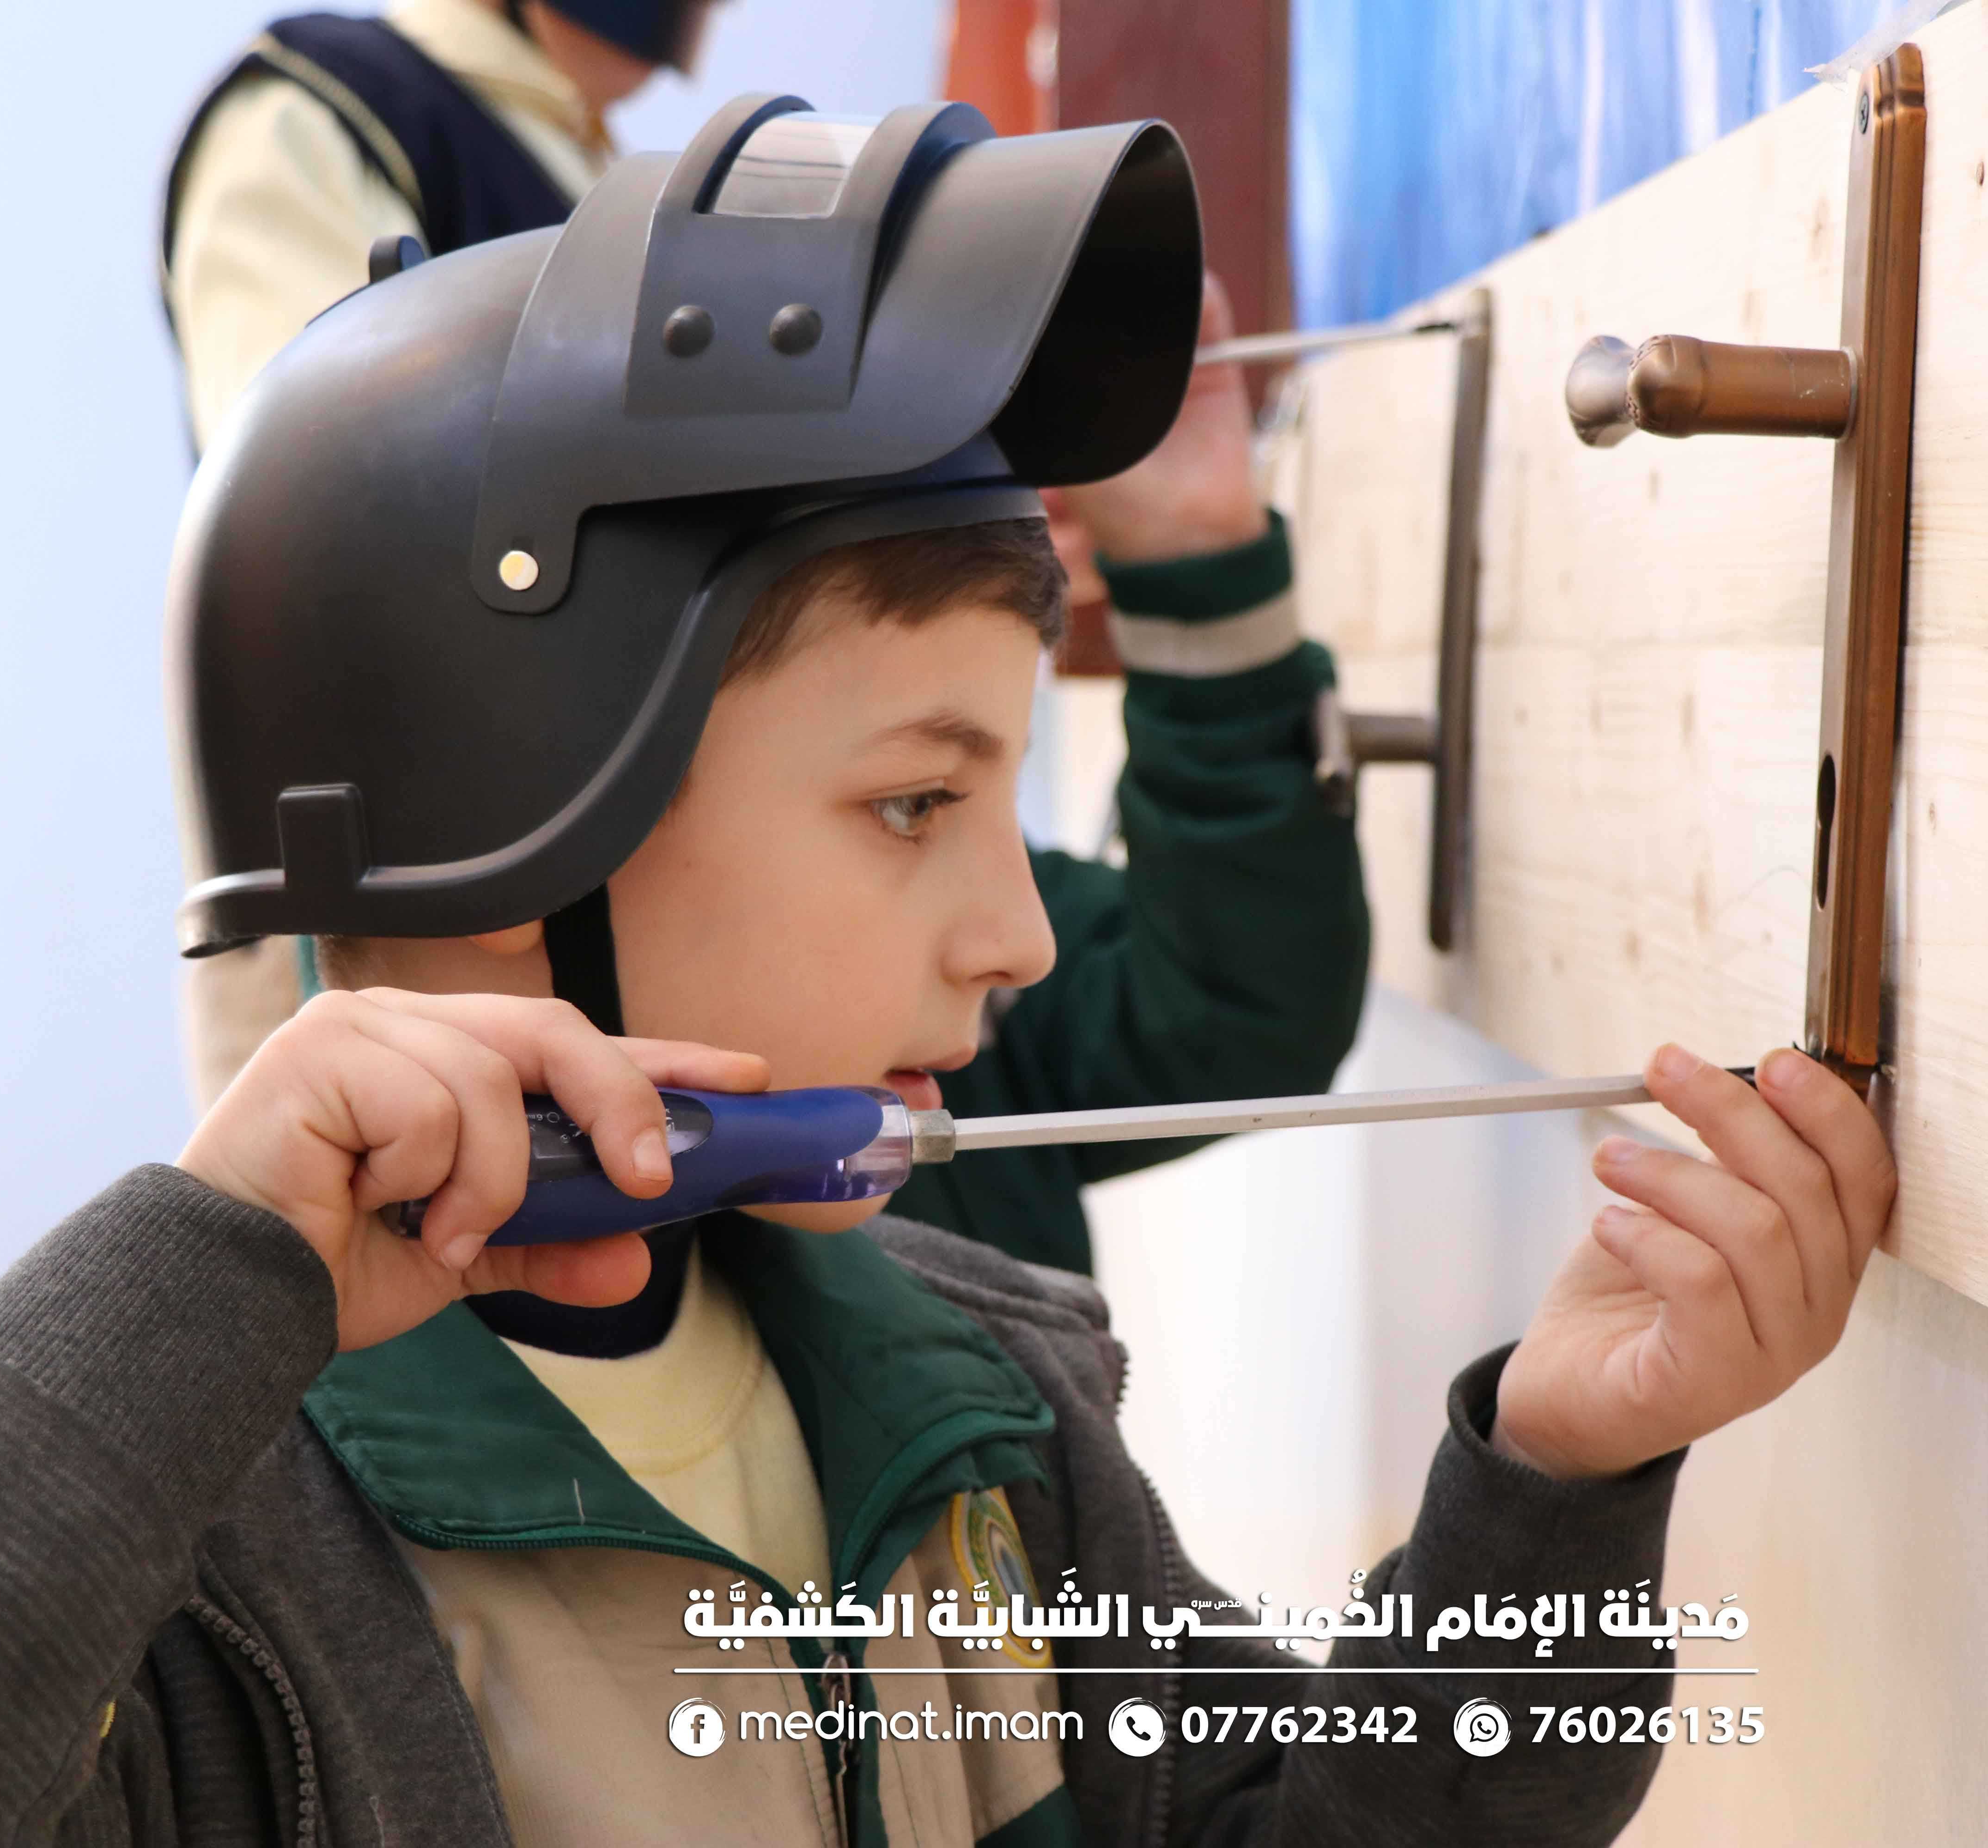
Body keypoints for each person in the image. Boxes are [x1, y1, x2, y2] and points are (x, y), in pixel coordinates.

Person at [0, 102, 1895, 1844]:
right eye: (916, 801)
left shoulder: (984, 1407)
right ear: (518, 831)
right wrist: (203, 1278)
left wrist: (1552, 1476)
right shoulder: (189, 1567)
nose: (1021, 934)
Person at [158, 0, 1370, 1277]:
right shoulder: (329, 115)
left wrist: (1194, 557)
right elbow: (366, 582)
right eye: (915, 804)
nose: (1023, 940)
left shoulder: (891, 1012)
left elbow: (1231, 1008)